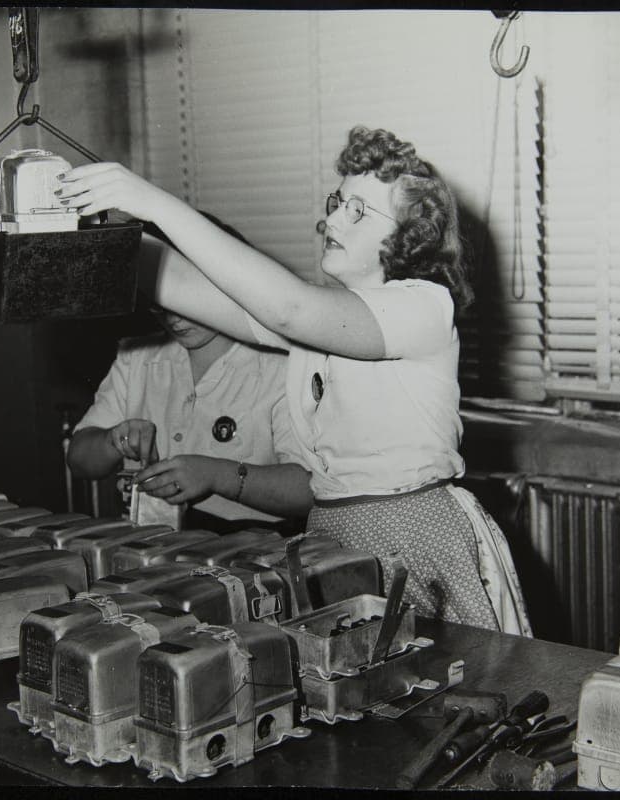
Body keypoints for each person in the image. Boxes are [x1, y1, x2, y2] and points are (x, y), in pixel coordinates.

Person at [58, 125, 531, 634]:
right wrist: (100, 230)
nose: (332, 219)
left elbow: (288, 308)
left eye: (358, 211)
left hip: (414, 540)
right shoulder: (325, 318)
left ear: (409, 236)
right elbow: (190, 289)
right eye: (337, 203)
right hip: (335, 535)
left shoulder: (423, 306)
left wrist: (152, 202)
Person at [66, 301, 313, 532]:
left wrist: (216, 475)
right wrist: (114, 440)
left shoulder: (280, 366)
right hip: (150, 539)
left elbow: (308, 491)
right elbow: (78, 459)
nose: (175, 320)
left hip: (252, 545)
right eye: (161, 307)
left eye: (187, 303)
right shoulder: (137, 357)